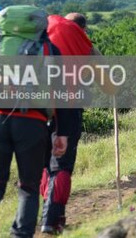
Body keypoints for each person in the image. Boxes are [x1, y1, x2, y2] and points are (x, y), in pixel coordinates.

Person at [0, 52, 69, 238]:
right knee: (29, 186)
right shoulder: (47, 47)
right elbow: (60, 91)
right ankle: (21, 234)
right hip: (33, 121)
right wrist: (61, 132)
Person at [39, 13, 97, 235]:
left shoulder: (46, 26)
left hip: (37, 107)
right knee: (61, 165)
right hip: (67, 107)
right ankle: (52, 219)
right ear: (82, 27)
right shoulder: (80, 38)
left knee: (44, 163)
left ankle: (48, 212)